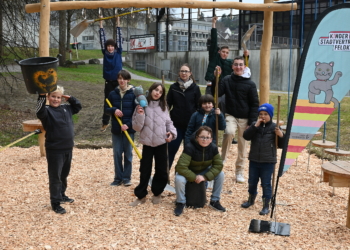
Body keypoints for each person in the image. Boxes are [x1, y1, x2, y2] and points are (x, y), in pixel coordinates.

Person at [212, 56, 259, 183]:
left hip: (245, 118)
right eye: (236, 65)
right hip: (230, 114)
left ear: (244, 67)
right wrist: (216, 78)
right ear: (232, 67)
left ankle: (239, 171)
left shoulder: (250, 84)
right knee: (228, 132)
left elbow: (255, 104)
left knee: (243, 145)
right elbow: (217, 93)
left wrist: (252, 122)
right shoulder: (227, 80)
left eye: (240, 65)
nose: (238, 67)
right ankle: (221, 162)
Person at [204, 16, 251, 144]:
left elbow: (241, 64)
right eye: (223, 51)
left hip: (224, 89)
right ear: (219, 52)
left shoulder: (230, 63)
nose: (224, 54)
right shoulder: (214, 57)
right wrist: (213, 24)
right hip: (211, 86)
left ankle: (228, 133)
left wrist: (246, 56)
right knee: (209, 108)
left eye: (226, 52)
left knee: (226, 110)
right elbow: (213, 42)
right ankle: (206, 134)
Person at [36, 86, 82, 214]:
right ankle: (55, 202)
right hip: (55, 149)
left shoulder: (67, 108)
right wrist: (41, 96)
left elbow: (78, 107)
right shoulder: (46, 111)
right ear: (48, 98)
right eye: (53, 97)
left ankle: (62, 195)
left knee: (64, 174)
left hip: (68, 148)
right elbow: (38, 110)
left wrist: (71, 99)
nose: (56, 99)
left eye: (58, 97)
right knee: (55, 176)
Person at [130, 82, 177, 206]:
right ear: (151, 90)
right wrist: (140, 115)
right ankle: (141, 195)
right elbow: (136, 127)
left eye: (160, 92)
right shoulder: (141, 105)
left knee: (161, 170)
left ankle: (157, 192)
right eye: (156, 90)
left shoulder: (164, 106)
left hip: (161, 142)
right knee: (144, 169)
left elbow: (169, 122)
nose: (157, 93)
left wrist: (171, 133)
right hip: (147, 143)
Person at [241, 103, 284, 215]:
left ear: (270, 115)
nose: (263, 116)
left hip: (268, 161)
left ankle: (266, 205)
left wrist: (280, 135)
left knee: (266, 183)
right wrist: (255, 126)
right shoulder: (255, 126)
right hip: (254, 159)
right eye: (261, 114)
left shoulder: (275, 128)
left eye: (265, 114)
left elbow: (282, 145)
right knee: (252, 181)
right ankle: (251, 200)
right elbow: (246, 136)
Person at [174, 126, 225, 216]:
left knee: (221, 174)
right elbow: (181, 167)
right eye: (202, 137)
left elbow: (218, 165)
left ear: (211, 139)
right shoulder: (189, 147)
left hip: (203, 171)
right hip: (189, 171)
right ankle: (180, 202)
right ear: (197, 138)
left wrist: (205, 176)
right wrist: (194, 177)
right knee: (179, 179)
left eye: (207, 137)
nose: (204, 140)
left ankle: (215, 200)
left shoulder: (213, 148)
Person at [104, 70, 136, 186]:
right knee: (117, 154)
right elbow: (106, 109)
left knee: (128, 154)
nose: (121, 81)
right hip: (117, 130)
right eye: (119, 78)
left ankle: (126, 178)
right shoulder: (113, 94)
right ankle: (118, 178)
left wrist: (128, 124)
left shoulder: (133, 94)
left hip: (129, 129)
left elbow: (137, 113)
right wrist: (114, 110)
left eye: (124, 78)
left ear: (128, 80)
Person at [167, 64, 201, 170]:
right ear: (179, 73)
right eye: (182, 71)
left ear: (190, 73)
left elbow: (199, 106)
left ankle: (185, 175)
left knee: (188, 152)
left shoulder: (195, 88)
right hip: (176, 125)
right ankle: (164, 174)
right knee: (170, 150)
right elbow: (167, 104)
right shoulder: (173, 87)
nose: (184, 73)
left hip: (190, 126)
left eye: (186, 71)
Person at [99, 16, 123, 132]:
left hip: (119, 81)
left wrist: (118, 23)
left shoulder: (118, 52)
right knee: (107, 101)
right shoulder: (105, 53)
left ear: (115, 47)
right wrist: (101, 24)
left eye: (112, 46)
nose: (110, 48)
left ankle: (120, 121)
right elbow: (102, 39)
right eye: (108, 46)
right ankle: (105, 122)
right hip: (108, 82)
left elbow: (119, 38)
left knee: (120, 101)